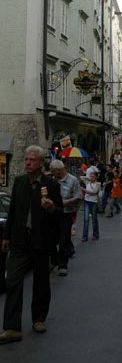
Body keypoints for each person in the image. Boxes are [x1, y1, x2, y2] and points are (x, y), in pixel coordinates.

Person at [0, 146, 63, 343]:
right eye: (26, 159)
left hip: (41, 242)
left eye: (32, 160)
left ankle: (38, 319)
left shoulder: (51, 184)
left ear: (41, 163)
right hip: (20, 242)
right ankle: (12, 327)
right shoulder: (19, 182)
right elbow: (12, 212)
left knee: (41, 283)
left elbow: (60, 214)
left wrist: (52, 208)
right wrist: (6, 236)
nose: (27, 163)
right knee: (13, 281)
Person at [50, 160, 81, 276]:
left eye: (54, 172)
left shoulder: (73, 180)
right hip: (53, 213)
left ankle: (63, 265)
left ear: (59, 170)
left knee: (64, 240)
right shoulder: (53, 180)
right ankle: (54, 260)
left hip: (66, 213)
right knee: (52, 238)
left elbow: (78, 196)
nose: (53, 174)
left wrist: (65, 202)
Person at [81, 171, 100, 241]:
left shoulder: (98, 184)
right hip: (86, 201)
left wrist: (84, 190)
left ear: (96, 177)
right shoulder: (88, 182)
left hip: (93, 202)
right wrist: (88, 178)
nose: (91, 177)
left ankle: (95, 234)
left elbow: (94, 192)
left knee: (94, 220)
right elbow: (81, 177)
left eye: (93, 176)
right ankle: (84, 236)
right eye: (91, 176)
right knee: (86, 219)